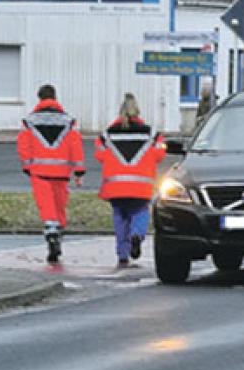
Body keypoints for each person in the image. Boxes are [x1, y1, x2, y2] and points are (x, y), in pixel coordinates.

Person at [95, 93, 166, 268]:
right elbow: (159, 154)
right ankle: (137, 235)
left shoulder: (107, 134)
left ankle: (122, 254)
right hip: (141, 187)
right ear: (138, 111)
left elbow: (100, 155)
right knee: (140, 212)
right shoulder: (152, 134)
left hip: (115, 187)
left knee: (120, 217)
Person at [17, 84, 85, 263]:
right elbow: (75, 145)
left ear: (39, 98)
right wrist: (78, 170)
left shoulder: (29, 121)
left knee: (46, 207)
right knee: (59, 205)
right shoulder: (69, 121)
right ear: (55, 98)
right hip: (62, 172)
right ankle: (59, 233)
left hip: (39, 172)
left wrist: (27, 165)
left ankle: (52, 234)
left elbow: (24, 145)